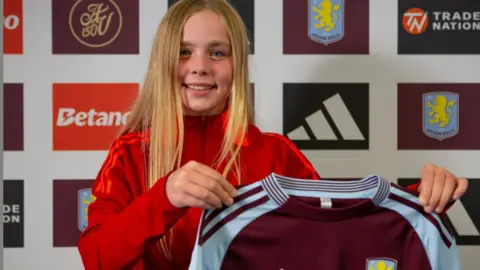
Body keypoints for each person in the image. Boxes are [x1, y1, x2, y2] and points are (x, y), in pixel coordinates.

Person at [77, 0, 469, 269]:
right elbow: (96, 257)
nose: (199, 67)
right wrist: (164, 197)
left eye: (217, 53)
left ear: (237, 65)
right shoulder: (130, 153)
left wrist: (422, 199)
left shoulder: (274, 152)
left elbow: (334, 235)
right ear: (163, 61)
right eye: (183, 52)